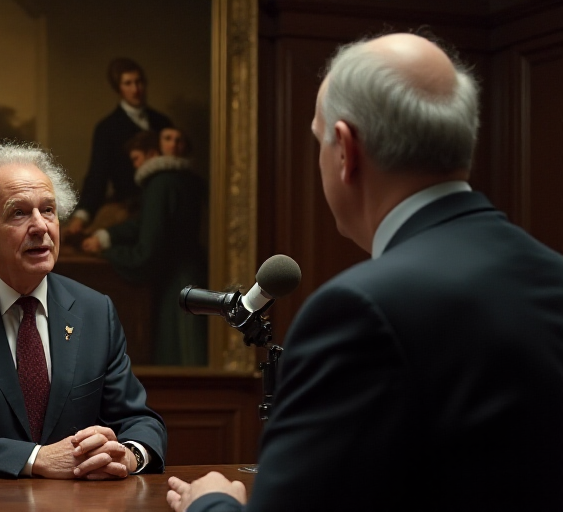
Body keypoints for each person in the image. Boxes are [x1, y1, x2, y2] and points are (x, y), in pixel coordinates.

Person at [166, 32, 563, 512]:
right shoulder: (552, 273)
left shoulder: (359, 309)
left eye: (319, 140)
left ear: (345, 151)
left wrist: (209, 504)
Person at [0, 141, 167, 478]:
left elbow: (139, 420)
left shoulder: (96, 310)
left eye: (49, 210)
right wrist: (36, 459)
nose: (41, 226)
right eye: (19, 212)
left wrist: (128, 455)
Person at [81, 129, 207, 365]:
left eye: (136, 159)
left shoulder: (161, 183)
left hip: (178, 283)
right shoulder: (181, 179)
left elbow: (145, 254)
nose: (135, 165)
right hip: (190, 275)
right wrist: (107, 235)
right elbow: (145, 224)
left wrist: (107, 252)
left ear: (152, 154)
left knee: (184, 357)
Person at [64, 57, 172, 238]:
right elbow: (97, 178)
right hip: (129, 210)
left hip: (164, 207)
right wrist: (82, 217)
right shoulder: (107, 128)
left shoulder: (163, 123)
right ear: (118, 89)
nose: (135, 89)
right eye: (128, 83)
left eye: (139, 82)